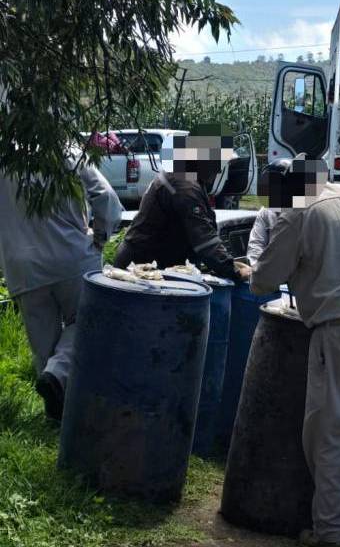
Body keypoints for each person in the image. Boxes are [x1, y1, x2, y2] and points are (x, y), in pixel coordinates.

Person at [247, 157, 340, 546]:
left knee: (328, 437)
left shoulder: (298, 212)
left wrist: (254, 266)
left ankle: (333, 534)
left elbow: (264, 279)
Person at [0, 158, 123, 421]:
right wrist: (101, 236)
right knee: (88, 321)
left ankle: (56, 413)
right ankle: (58, 380)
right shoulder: (66, 151)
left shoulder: (5, 154)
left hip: (22, 264)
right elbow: (107, 198)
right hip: (71, 256)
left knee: (43, 343)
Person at [114, 125, 249, 282]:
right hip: (140, 271)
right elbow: (204, 239)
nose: (219, 170)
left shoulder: (187, 177)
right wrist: (233, 270)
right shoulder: (185, 184)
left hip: (153, 267)